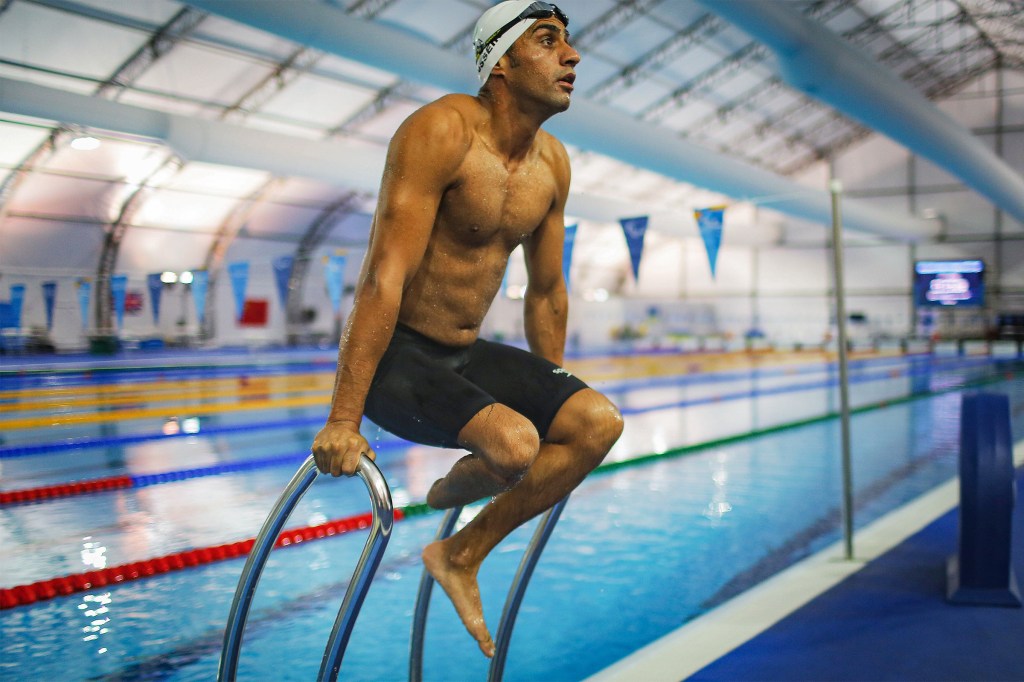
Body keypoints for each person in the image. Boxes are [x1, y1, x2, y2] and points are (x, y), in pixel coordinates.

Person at [311, 1, 623, 658]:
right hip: (400, 360)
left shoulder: (554, 164)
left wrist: (554, 396)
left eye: (569, 42)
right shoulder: (440, 132)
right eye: (549, 42)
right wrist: (344, 419)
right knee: (514, 448)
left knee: (596, 423)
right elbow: (381, 278)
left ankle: (460, 552)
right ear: (502, 62)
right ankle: (473, 482)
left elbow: (546, 292)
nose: (572, 56)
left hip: (462, 353)